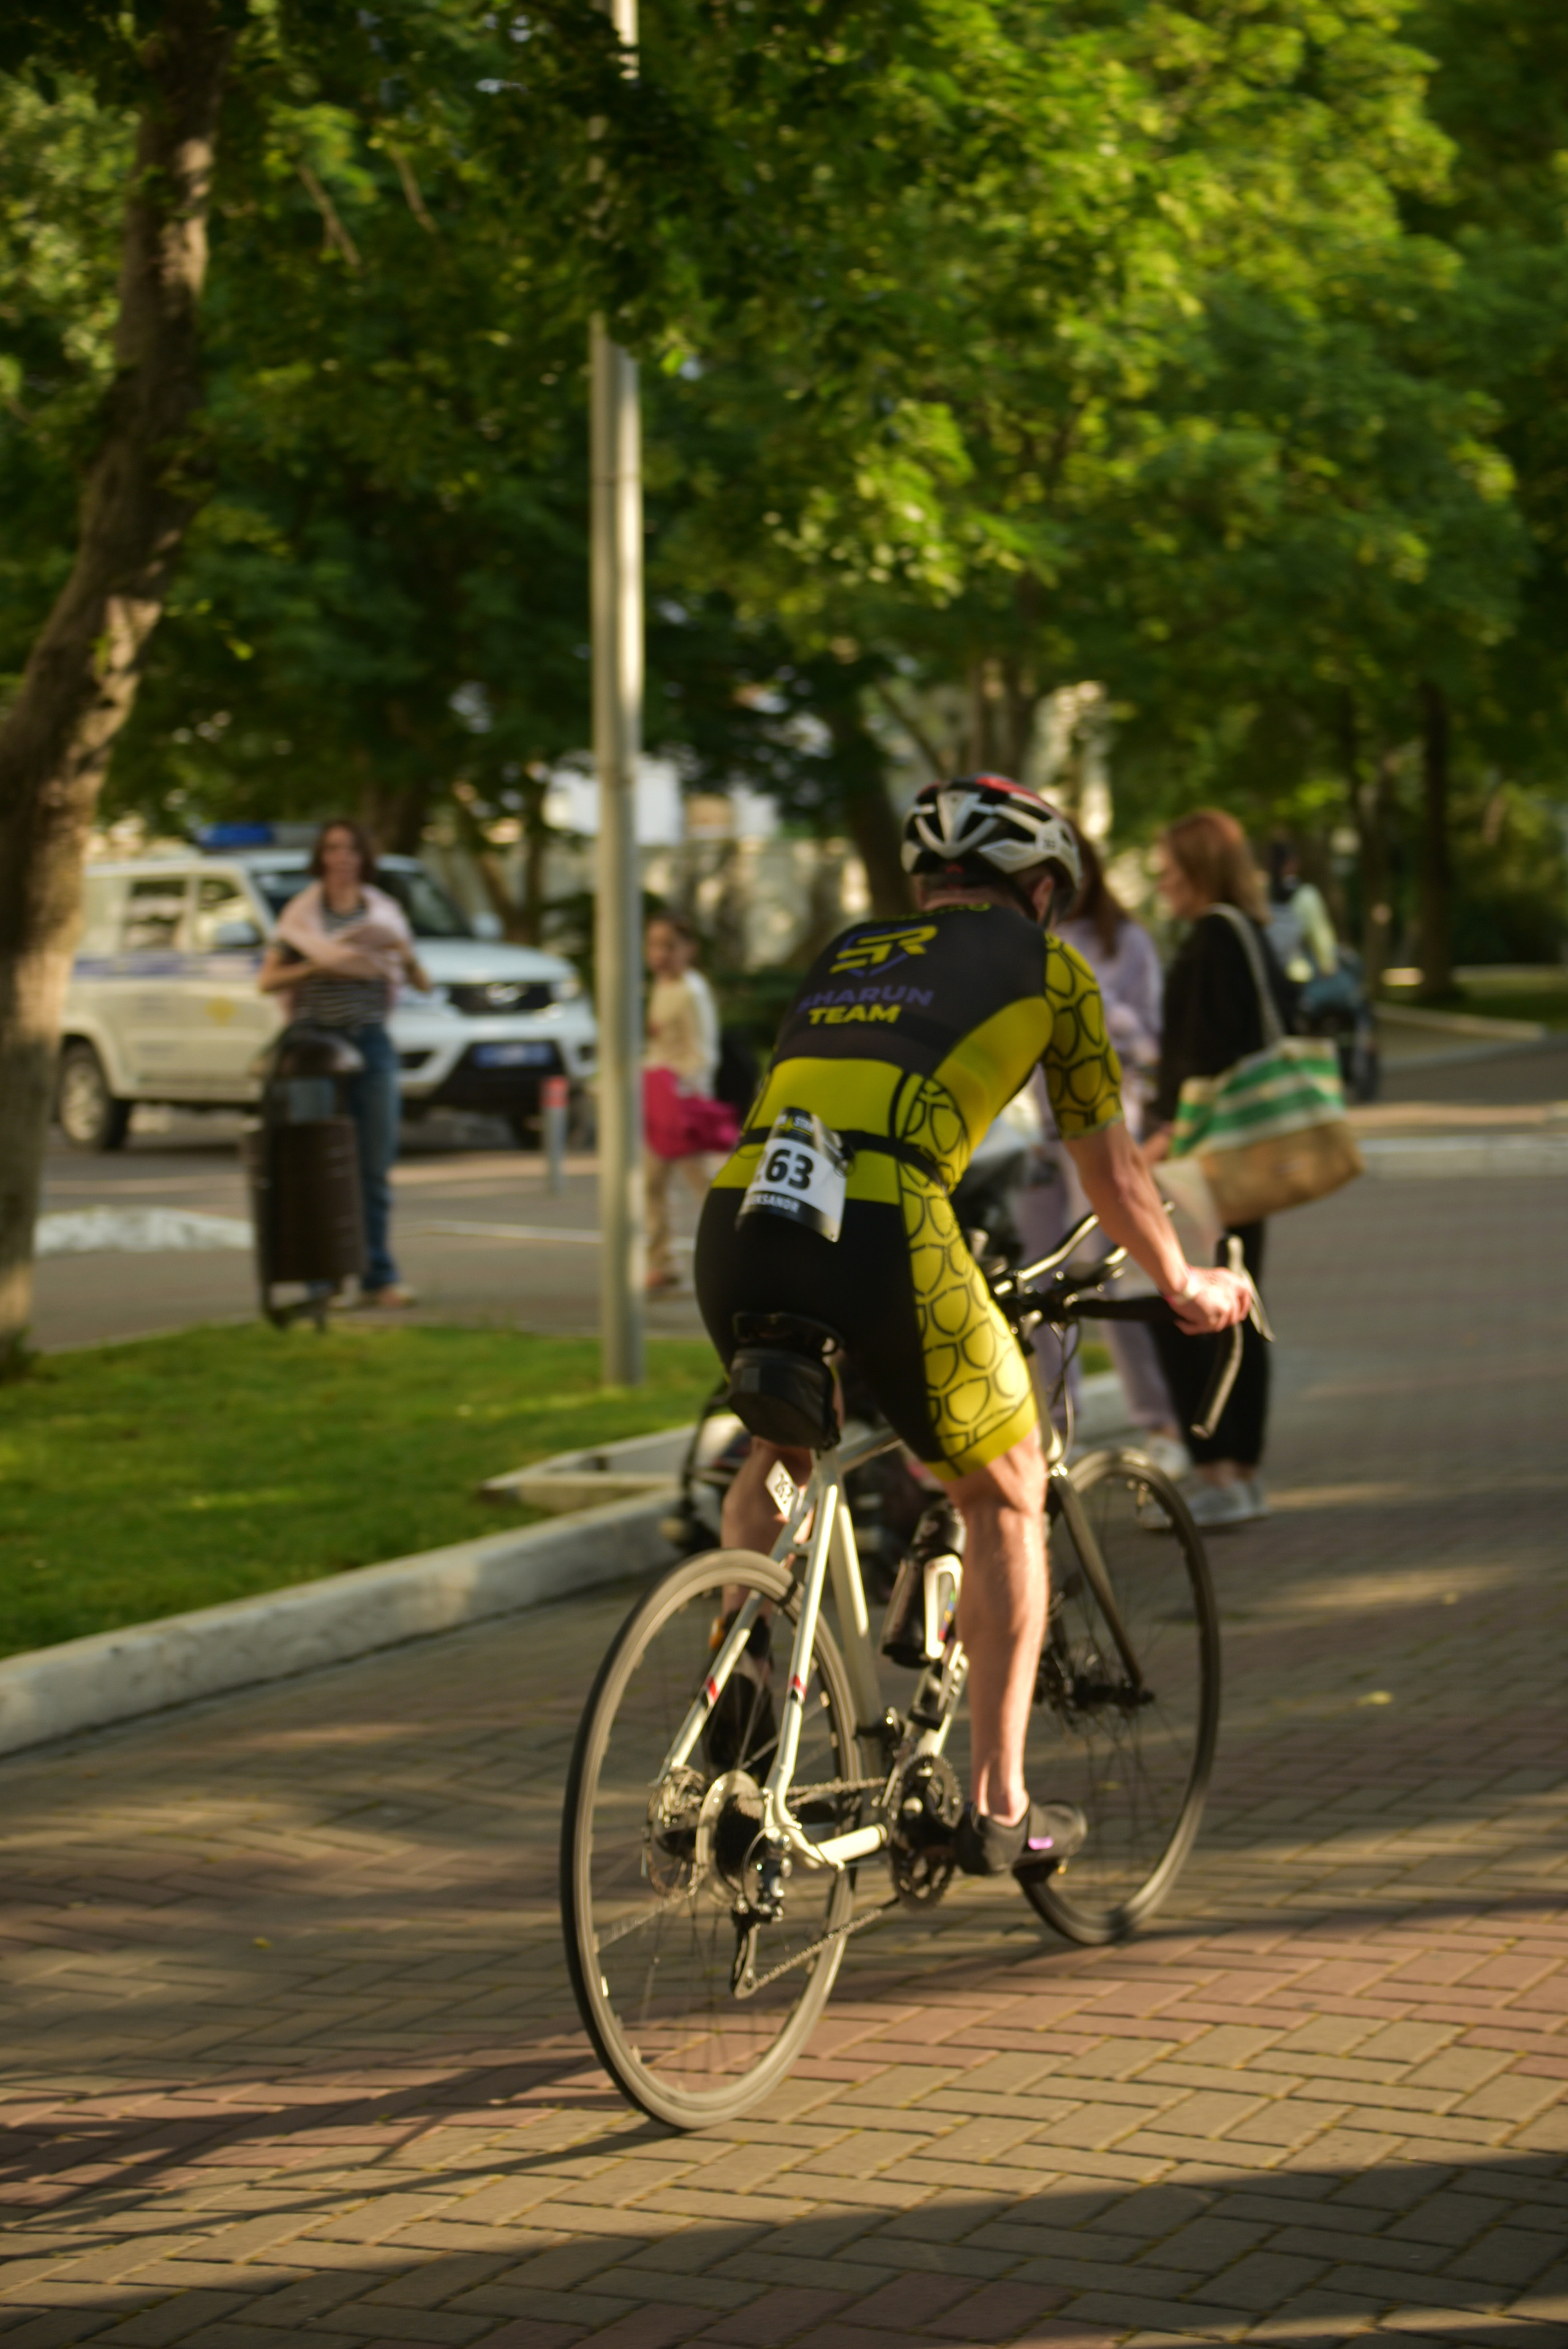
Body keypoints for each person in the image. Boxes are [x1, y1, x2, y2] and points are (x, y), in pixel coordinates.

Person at [694, 775, 1252, 1878]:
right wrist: (1184, 1278)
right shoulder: (1052, 969)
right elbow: (1113, 1165)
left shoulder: (851, 950)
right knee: (1007, 1491)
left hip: (745, 1213)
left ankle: (742, 1680)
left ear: (925, 884)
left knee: (781, 1446)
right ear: (1042, 890)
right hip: (888, 1222)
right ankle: (999, 1802)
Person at [1141, 809, 1294, 1528]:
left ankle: (1220, 1473)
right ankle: (1239, 1474)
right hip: (1240, 1154)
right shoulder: (1252, 933)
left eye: (1169, 867)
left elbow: (1202, 1056)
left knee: (1188, 1304)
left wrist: (1155, 1143)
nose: (1160, 881)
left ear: (1197, 867)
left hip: (1201, 1159)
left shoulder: (1212, 939)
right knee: (1236, 1298)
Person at [1015, 830, 1184, 1472]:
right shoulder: (1017, 942)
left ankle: (1159, 1422)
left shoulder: (1126, 941)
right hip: (1031, 1131)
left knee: (1108, 1277)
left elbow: (1151, 1040)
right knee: (1033, 1284)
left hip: (1103, 1121)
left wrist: (1089, 1003)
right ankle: (1055, 1432)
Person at [258, 819, 429, 1308]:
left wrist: (402, 953)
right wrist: (319, 965)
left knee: (374, 1164)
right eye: (333, 849)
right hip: (317, 1050)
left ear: (364, 857)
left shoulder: (385, 912)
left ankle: (379, 1275)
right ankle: (323, 1279)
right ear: (321, 857)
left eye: (352, 849)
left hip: (371, 1045)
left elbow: (422, 982)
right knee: (318, 1162)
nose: (342, 858)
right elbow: (267, 981)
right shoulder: (301, 917)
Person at [643, 912, 733, 1295]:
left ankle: (737, 1258)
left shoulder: (691, 992)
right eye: (653, 945)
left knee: (709, 1187)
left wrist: (684, 1092)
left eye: (669, 946)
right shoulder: (661, 986)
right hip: (658, 1099)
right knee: (650, 1183)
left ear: (689, 950)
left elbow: (704, 1053)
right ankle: (663, 1263)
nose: (660, 955)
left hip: (684, 1105)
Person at [1265, 839, 1338, 985]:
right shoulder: (1306, 895)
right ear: (1294, 863)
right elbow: (1320, 933)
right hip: (1297, 974)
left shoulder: (1261, 892)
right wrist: (1328, 964)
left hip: (1268, 972)